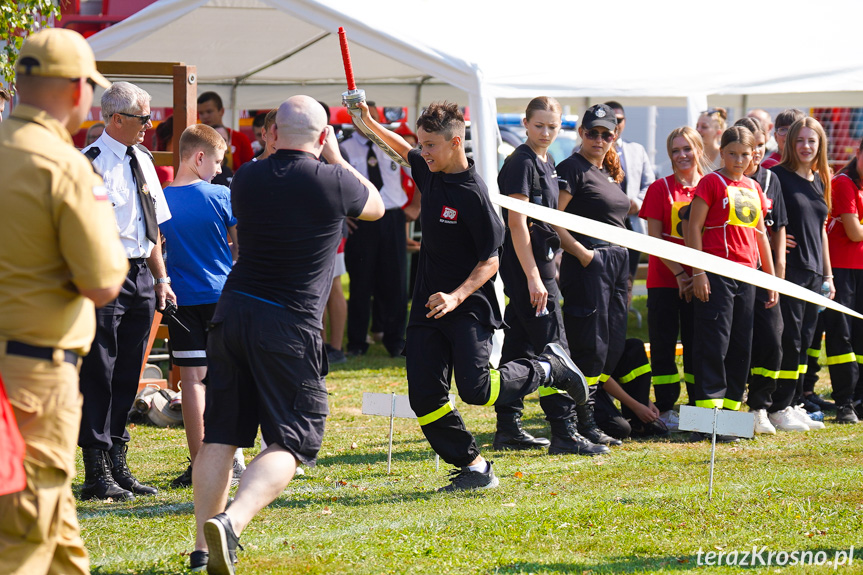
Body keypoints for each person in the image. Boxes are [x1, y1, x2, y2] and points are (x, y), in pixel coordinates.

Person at [190, 95, 384, 574]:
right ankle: (230, 523)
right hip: (289, 323)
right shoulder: (335, 181)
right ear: (322, 137)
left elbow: (269, 162)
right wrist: (336, 158)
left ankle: (199, 550)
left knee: (221, 435)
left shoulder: (248, 177)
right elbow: (376, 207)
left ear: (272, 133)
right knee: (294, 442)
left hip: (232, 314)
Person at [355, 98, 591, 490]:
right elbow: (399, 148)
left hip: (469, 307)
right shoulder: (429, 170)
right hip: (428, 308)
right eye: (422, 143)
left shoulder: (476, 194)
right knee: (425, 398)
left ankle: (549, 369)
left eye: (430, 145)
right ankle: (474, 466)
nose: (423, 152)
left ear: (455, 142)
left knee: (477, 390)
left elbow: (491, 262)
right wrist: (367, 122)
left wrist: (456, 296)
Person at [0, 28, 127, 575]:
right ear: (78, 88)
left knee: (56, 532)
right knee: (27, 535)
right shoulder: (64, 164)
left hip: (15, 361)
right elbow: (103, 282)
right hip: (35, 372)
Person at [79, 81, 175, 501]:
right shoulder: (90, 163)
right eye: (143, 118)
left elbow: (151, 230)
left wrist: (161, 280)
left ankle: (118, 462)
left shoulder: (144, 159)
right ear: (116, 119)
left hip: (139, 276)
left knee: (128, 372)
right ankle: (96, 470)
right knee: (98, 372)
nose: (149, 126)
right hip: (102, 275)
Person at [495, 96, 606, 455]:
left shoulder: (547, 160)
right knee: (555, 348)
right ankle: (565, 432)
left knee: (519, 346)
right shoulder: (520, 163)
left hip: (540, 263)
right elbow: (517, 223)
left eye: (552, 126)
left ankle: (508, 427)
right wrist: (532, 276)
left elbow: (549, 221)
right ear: (525, 124)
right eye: (539, 125)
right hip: (527, 267)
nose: (545, 132)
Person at [555, 104, 656, 444]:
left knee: (611, 344)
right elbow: (552, 218)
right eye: (592, 132)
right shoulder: (571, 168)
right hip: (591, 264)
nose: (599, 139)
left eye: (606, 134)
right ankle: (581, 424)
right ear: (581, 133)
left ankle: (592, 417)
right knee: (590, 345)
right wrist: (584, 255)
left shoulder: (611, 171)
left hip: (617, 263)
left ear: (615, 137)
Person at [158, 124, 240, 490]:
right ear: (200, 157)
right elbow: (241, 246)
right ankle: (231, 459)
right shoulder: (220, 195)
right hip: (222, 296)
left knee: (190, 381)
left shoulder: (160, 199)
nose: (220, 169)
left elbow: (154, 249)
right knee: (227, 377)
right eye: (218, 161)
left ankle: (198, 463)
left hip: (182, 299)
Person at [685, 126, 777, 441]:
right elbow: (693, 227)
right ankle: (705, 422)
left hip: (747, 276)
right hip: (716, 273)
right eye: (733, 153)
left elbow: (761, 234)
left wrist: (771, 278)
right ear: (722, 153)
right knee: (714, 344)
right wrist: (699, 272)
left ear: (754, 156)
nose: (739, 160)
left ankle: (730, 420)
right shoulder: (711, 182)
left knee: (740, 346)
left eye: (745, 154)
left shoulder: (753, 187)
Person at [767, 117, 832, 432]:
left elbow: (821, 231)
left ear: (820, 145)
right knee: (789, 340)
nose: (806, 147)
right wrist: (775, 238)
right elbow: (761, 220)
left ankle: (793, 403)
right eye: (800, 140)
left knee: (805, 341)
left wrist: (828, 276)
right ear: (790, 142)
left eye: (812, 141)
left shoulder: (820, 179)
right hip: (789, 271)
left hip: (813, 273)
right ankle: (777, 406)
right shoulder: (777, 176)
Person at [638, 126, 704, 431]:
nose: (681, 156)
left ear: (699, 149)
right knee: (664, 345)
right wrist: (680, 273)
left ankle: (697, 406)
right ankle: (665, 407)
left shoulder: (710, 186)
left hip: (702, 281)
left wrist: (697, 275)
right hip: (665, 280)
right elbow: (653, 239)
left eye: (687, 149)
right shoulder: (659, 189)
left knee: (697, 343)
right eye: (675, 151)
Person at [731, 117, 788, 435]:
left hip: (761, 274)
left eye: (756, 149)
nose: (749, 156)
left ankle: (760, 407)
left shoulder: (768, 181)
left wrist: (775, 275)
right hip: (728, 277)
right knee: (732, 343)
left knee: (772, 338)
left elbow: (775, 231)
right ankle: (727, 411)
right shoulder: (718, 181)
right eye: (740, 151)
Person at [341, 102, 409, 358]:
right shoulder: (344, 149)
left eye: (370, 117)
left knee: (395, 281)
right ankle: (357, 341)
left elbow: (419, 175)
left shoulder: (393, 145)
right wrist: (342, 215)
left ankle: (396, 339)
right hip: (362, 221)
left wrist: (414, 207)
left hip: (392, 217)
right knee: (360, 282)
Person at [823, 137, 863, 424]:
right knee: (842, 335)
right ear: (859, 154)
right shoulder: (844, 183)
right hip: (841, 270)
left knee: (859, 336)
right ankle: (844, 401)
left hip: (859, 269)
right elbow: (854, 232)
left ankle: (858, 397)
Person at [605, 101, 655, 280]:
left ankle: (624, 308)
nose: (616, 124)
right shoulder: (587, 150)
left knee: (627, 282)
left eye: (619, 119)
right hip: (602, 227)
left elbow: (650, 184)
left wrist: (638, 203)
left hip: (632, 224)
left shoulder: (637, 150)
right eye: (612, 119)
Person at [197, 91, 254, 171]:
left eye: (209, 111)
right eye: (201, 113)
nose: (205, 116)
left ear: (222, 111)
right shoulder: (196, 139)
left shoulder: (240, 138)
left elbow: (250, 169)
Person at [695, 107, 727, 172]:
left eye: (704, 127)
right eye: (697, 126)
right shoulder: (691, 153)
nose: (698, 130)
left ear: (718, 132)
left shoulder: (723, 156)